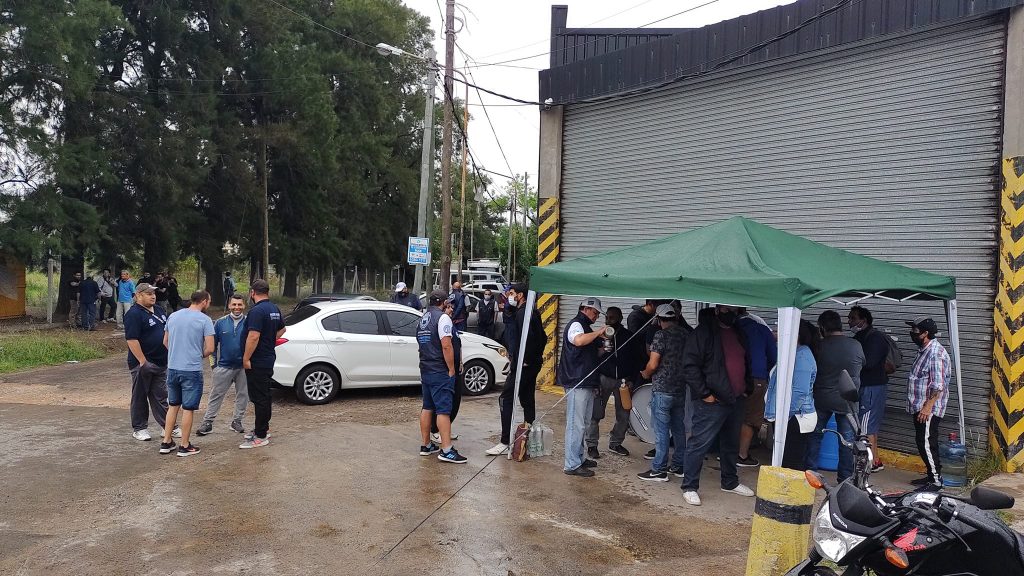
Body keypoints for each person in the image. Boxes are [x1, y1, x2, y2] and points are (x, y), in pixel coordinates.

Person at [680, 304, 756, 506]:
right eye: (726, 309)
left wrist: (748, 387)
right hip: (712, 400)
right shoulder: (703, 333)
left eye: (734, 310)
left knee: (731, 444)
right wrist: (705, 394)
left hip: (736, 398)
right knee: (699, 444)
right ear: (717, 309)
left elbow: (746, 361)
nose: (731, 313)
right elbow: (689, 366)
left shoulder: (738, 332)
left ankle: (730, 482)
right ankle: (689, 486)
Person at [486, 283, 547, 456]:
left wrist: (526, 359)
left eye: (512, 293)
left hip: (524, 365)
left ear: (521, 296)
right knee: (527, 399)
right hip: (526, 363)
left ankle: (505, 441)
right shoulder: (525, 313)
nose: (509, 297)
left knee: (506, 399)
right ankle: (529, 438)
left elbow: (535, 339)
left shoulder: (524, 314)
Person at [805, 310, 865, 483]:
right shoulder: (855, 345)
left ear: (822, 327)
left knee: (815, 437)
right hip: (848, 400)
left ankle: (811, 474)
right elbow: (864, 364)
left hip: (822, 399)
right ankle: (845, 479)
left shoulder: (819, 346)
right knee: (847, 442)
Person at [637, 304, 691, 481]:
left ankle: (659, 469)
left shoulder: (660, 335)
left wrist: (645, 373)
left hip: (662, 389)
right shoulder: (685, 334)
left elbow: (653, 364)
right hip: (680, 388)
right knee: (678, 428)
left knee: (661, 431)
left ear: (659, 319)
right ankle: (678, 465)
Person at [160, 290, 215, 457]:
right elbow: (211, 348)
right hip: (191, 369)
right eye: (209, 301)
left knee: (173, 406)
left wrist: (176, 353)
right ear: (204, 301)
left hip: (173, 367)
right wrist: (197, 355)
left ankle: (166, 441)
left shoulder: (173, 316)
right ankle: (184, 445)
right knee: (188, 408)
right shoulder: (205, 320)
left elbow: (165, 341)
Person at [416, 289, 467, 463]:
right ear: (443, 302)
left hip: (426, 368)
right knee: (443, 410)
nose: (450, 306)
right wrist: (451, 369)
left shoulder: (423, 318)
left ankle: (426, 445)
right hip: (440, 370)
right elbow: (446, 345)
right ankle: (446, 450)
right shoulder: (442, 318)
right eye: (449, 303)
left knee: (427, 407)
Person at [558, 297, 605, 477]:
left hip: (587, 381)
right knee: (575, 424)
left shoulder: (587, 328)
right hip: (576, 381)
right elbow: (578, 341)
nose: (597, 316)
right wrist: (598, 333)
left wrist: (602, 348)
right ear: (585, 309)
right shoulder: (576, 325)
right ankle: (571, 464)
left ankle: (579, 457)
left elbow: (588, 350)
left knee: (584, 423)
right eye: (595, 312)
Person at [124, 283, 177, 441]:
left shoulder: (160, 310)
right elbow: (132, 339)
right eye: (148, 293)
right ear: (138, 295)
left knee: (161, 395)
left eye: (153, 293)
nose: (153, 296)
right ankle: (139, 428)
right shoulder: (134, 314)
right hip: (143, 362)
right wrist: (142, 361)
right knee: (140, 395)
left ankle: (167, 426)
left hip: (161, 361)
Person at [587, 306, 641, 459]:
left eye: (612, 318)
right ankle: (592, 445)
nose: (608, 321)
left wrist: (632, 379)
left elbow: (636, 360)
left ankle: (616, 442)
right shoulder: (599, 336)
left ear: (620, 319)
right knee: (595, 414)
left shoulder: (628, 336)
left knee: (624, 413)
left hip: (623, 381)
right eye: (607, 317)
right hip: (603, 379)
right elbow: (591, 359)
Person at [765, 320, 818, 470]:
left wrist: (785, 416)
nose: (777, 334)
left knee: (791, 463)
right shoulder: (793, 353)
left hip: (796, 418)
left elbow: (800, 392)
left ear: (796, 334)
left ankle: (790, 493)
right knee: (787, 460)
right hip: (790, 416)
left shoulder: (802, 356)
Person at [905, 316, 950, 488]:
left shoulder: (935, 353)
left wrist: (927, 407)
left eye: (915, 331)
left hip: (928, 408)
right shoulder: (924, 350)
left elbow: (937, 385)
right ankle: (932, 475)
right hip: (921, 406)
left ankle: (936, 481)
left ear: (925, 333)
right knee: (923, 442)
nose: (912, 333)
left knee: (927, 443)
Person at [240, 279, 285, 449]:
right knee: (264, 395)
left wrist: (246, 358)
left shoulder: (257, 311)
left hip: (257, 360)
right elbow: (282, 329)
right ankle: (263, 428)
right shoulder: (273, 308)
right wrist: (269, 340)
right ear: (268, 292)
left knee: (260, 398)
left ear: (252, 292)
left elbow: (253, 336)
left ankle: (260, 436)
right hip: (267, 357)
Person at [196, 293, 249, 436]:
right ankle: (208, 422)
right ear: (229, 305)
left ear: (244, 305)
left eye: (240, 304)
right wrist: (214, 366)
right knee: (216, 395)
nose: (237, 307)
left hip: (243, 367)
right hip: (223, 366)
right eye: (234, 304)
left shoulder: (250, 322)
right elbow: (211, 346)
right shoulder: (220, 323)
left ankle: (237, 421)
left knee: (243, 395)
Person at [848, 305, 890, 472]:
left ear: (863, 320)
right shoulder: (861, 337)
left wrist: (854, 361)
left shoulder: (875, 338)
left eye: (853, 318)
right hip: (868, 386)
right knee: (870, 427)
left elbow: (870, 362)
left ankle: (867, 464)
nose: (849, 321)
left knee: (866, 427)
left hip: (872, 387)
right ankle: (875, 461)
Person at [736, 308, 778, 467]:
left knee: (731, 414)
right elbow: (774, 356)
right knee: (750, 418)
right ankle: (742, 455)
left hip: (729, 378)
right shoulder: (760, 329)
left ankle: (726, 452)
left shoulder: (727, 328)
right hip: (756, 378)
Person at [430, 297, 463, 444]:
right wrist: (450, 368)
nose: (451, 309)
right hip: (443, 370)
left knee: (454, 401)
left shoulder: (451, 324)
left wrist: (460, 361)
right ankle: (435, 431)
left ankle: (445, 429)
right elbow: (446, 346)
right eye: (449, 307)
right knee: (441, 404)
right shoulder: (441, 321)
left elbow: (456, 344)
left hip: (455, 368)